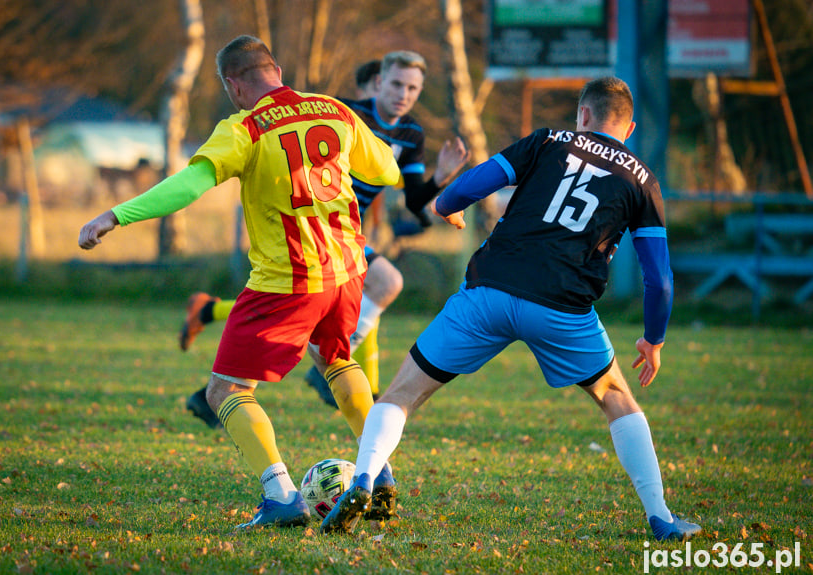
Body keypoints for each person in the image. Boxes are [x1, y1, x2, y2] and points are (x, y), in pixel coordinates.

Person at [320, 76, 703, 543]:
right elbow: (659, 279)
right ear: (629, 128)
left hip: (489, 292)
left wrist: (448, 203)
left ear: (582, 116)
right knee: (616, 397)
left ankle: (363, 479)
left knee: (401, 393)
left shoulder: (548, 140)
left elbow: (479, 181)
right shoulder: (641, 179)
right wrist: (654, 338)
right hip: (562, 308)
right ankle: (660, 517)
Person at [78, 35, 403, 529]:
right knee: (336, 358)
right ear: (275, 69)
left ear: (233, 85)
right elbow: (386, 168)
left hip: (288, 281)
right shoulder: (332, 109)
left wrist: (117, 215)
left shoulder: (245, 128)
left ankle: (282, 497)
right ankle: (380, 477)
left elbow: (188, 185)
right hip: (347, 271)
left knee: (224, 390)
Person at [180, 51, 470, 424]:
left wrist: (442, 180)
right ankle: (329, 376)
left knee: (358, 302)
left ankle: (218, 351)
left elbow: (414, 198)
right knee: (381, 285)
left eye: (413, 88)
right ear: (379, 82)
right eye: (397, 84)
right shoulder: (343, 112)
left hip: (347, 236)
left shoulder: (411, 133)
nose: (404, 94)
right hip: (317, 233)